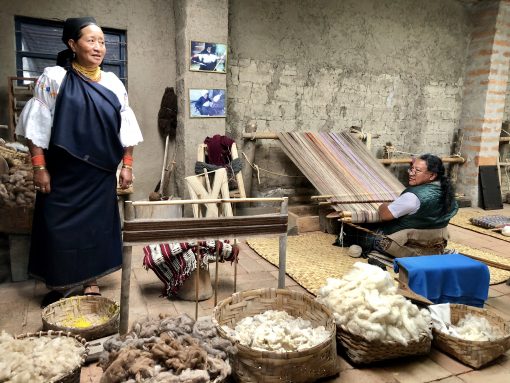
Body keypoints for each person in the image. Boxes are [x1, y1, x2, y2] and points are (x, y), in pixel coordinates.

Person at [16, 17, 143, 307]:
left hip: (98, 175)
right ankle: (60, 283)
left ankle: (91, 282)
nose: (99, 47)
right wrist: (39, 167)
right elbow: (35, 127)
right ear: (73, 44)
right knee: (57, 228)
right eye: (91, 40)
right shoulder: (53, 78)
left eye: (102, 42)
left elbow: (127, 128)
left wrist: (127, 164)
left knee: (96, 229)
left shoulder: (112, 84)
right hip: (62, 173)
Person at [338, 154, 458, 256]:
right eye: (411, 169)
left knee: (352, 229)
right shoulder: (448, 193)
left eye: (417, 171)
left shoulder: (413, 197)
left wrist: (383, 205)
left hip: (405, 246)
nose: (411, 173)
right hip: (434, 243)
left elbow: (385, 215)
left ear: (432, 175)